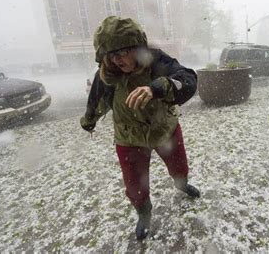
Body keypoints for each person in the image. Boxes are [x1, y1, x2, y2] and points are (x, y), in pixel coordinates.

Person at [80, 16, 200, 240]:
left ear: (136, 48)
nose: (116, 60)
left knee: (179, 167)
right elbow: (96, 99)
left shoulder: (156, 61)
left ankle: (182, 184)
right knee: (134, 185)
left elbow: (188, 79)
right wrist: (89, 121)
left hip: (164, 129)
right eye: (111, 55)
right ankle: (144, 213)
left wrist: (158, 87)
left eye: (121, 52)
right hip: (128, 138)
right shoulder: (106, 75)